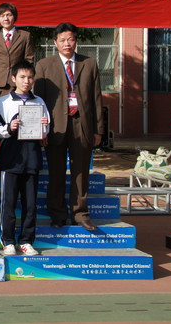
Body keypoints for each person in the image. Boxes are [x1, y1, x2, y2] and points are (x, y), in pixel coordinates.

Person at [34, 22, 104, 231]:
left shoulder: (89, 64)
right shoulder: (44, 66)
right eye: (62, 40)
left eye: (71, 39)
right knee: (56, 173)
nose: (67, 44)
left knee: (80, 172)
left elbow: (97, 99)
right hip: (55, 126)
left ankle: (80, 214)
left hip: (82, 125)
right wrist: (41, 131)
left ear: (76, 41)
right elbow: (39, 101)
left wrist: (98, 129)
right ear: (55, 43)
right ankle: (57, 214)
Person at [0, 61, 50, 256]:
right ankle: (8, 240)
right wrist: (9, 128)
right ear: (13, 79)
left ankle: (26, 240)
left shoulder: (39, 101)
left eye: (30, 77)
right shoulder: (3, 102)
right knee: (8, 203)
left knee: (30, 204)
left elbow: (46, 131)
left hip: (32, 158)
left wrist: (44, 125)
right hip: (10, 159)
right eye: (22, 77)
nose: (27, 81)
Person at [0, 3, 34, 102]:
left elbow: (29, 60)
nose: (6, 18)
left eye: (9, 15)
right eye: (2, 16)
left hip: (17, 84)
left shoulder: (25, 36)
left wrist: (23, 78)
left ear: (14, 16)